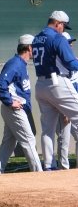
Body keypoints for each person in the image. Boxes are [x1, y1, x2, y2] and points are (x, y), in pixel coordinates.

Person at [32, 10, 78, 171]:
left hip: (40, 85)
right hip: (57, 82)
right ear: (58, 23)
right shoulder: (57, 37)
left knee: (48, 129)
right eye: (63, 26)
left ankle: (48, 166)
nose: (63, 30)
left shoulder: (37, 38)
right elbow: (70, 62)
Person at [0, 34, 42, 173]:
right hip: (14, 109)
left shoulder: (21, 63)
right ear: (28, 47)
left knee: (8, 143)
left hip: (14, 109)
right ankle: (39, 174)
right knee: (29, 140)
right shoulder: (15, 63)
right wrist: (9, 101)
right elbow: (0, 83)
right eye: (35, 47)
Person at [55, 32, 78, 169]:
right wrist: (63, 109)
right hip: (64, 105)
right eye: (68, 43)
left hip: (75, 103)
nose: (71, 45)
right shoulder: (58, 64)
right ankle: (63, 168)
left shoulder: (74, 60)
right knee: (64, 138)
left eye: (71, 43)